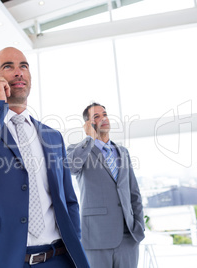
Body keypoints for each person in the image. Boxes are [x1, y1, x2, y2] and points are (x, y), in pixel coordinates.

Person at [0, 47, 89, 267]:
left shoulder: (53, 136)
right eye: (8, 67)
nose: (18, 72)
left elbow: (68, 199)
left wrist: (74, 241)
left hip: (57, 258)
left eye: (23, 66)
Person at [66, 103, 145, 268]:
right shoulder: (78, 150)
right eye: (96, 116)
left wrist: (139, 227)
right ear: (88, 124)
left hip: (128, 238)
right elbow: (71, 168)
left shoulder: (123, 152)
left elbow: (133, 193)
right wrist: (89, 139)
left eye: (105, 114)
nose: (104, 119)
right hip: (96, 238)